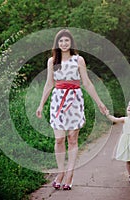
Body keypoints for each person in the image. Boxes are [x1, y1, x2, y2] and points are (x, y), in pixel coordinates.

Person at [36, 29, 108, 190]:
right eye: (60, 41)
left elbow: (87, 83)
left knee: (72, 139)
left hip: (74, 100)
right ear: (57, 43)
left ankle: (70, 174)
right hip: (57, 100)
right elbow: (49, 84)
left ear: (71, 43)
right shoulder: (52, 61)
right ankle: (60, 172)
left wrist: (100, 103)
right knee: (59, 139)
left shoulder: (78, 59)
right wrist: (41, 104)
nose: (63, 43)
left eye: (66, 41)